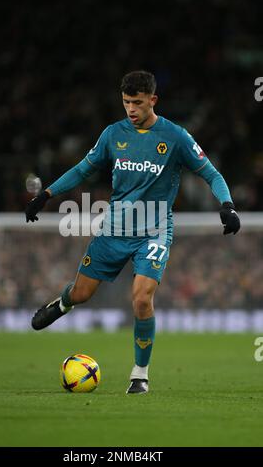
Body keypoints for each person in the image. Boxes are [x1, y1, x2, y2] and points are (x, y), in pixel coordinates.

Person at [25, 70, 240, 394]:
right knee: (82, 294)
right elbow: (83, 169)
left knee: (141, 299)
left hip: (155, 230)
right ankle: (62, 304)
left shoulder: (176, 136)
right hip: (114, 229)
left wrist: (227, 205)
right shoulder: (113, 134)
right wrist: (46, 194)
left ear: (152, 100)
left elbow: (211, 174)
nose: (131, 109)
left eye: (137, 103)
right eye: (126, 102)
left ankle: (140, 374)